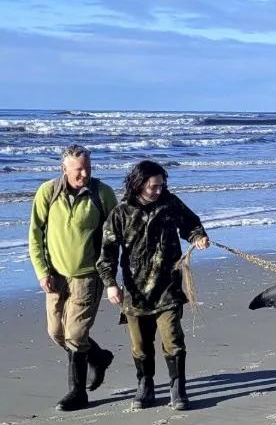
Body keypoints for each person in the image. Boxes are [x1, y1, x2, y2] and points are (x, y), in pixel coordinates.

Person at [97, 159, 209, 411]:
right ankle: (145, 385)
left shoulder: (170, 204)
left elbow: (191, 223)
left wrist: (198, 236)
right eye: (154, 186)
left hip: (168, 287)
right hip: (135, 292)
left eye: (162, 185)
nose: (159, 190)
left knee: (172, 339)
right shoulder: (121, 212)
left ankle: (177, 388)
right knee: (140, 345)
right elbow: (108, 252)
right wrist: (110, 284)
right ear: (139, 184)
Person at [27, 144, 118, 411]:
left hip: (89, 275)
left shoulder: (102, 194)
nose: (84, 174)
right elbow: (35, 235)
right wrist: (42, 271)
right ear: (63, 169)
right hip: (55, 276)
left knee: (76, 334)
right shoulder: (47, 192)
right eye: (78, 169)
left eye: (88, 168)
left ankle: (77, 393)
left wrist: (111, 274)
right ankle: (99, 357)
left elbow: (116, 233)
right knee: (56, 333)